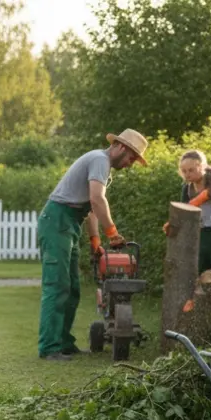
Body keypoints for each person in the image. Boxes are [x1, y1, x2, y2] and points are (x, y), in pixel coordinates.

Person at [37, 129, 147, 361]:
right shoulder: (100, 159)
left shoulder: (103, 166)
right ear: (120, 148)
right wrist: (113, 233)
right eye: (131, 158)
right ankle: (49, 347)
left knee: (72, 288)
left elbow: (93, 208)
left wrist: (96, 240)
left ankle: (64, 343)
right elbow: (98, 199)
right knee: (57, 285)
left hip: (69, 222)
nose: (130, 164)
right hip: (57, 220)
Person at [163, 150, 211, 275]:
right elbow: (183, 211)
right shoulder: (187, 188)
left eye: (191, 170)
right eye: (184, 171)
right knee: (198, 270)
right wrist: (172, 224)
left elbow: (196, 202)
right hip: (200, 232)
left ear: (202, 167)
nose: (187, 174)